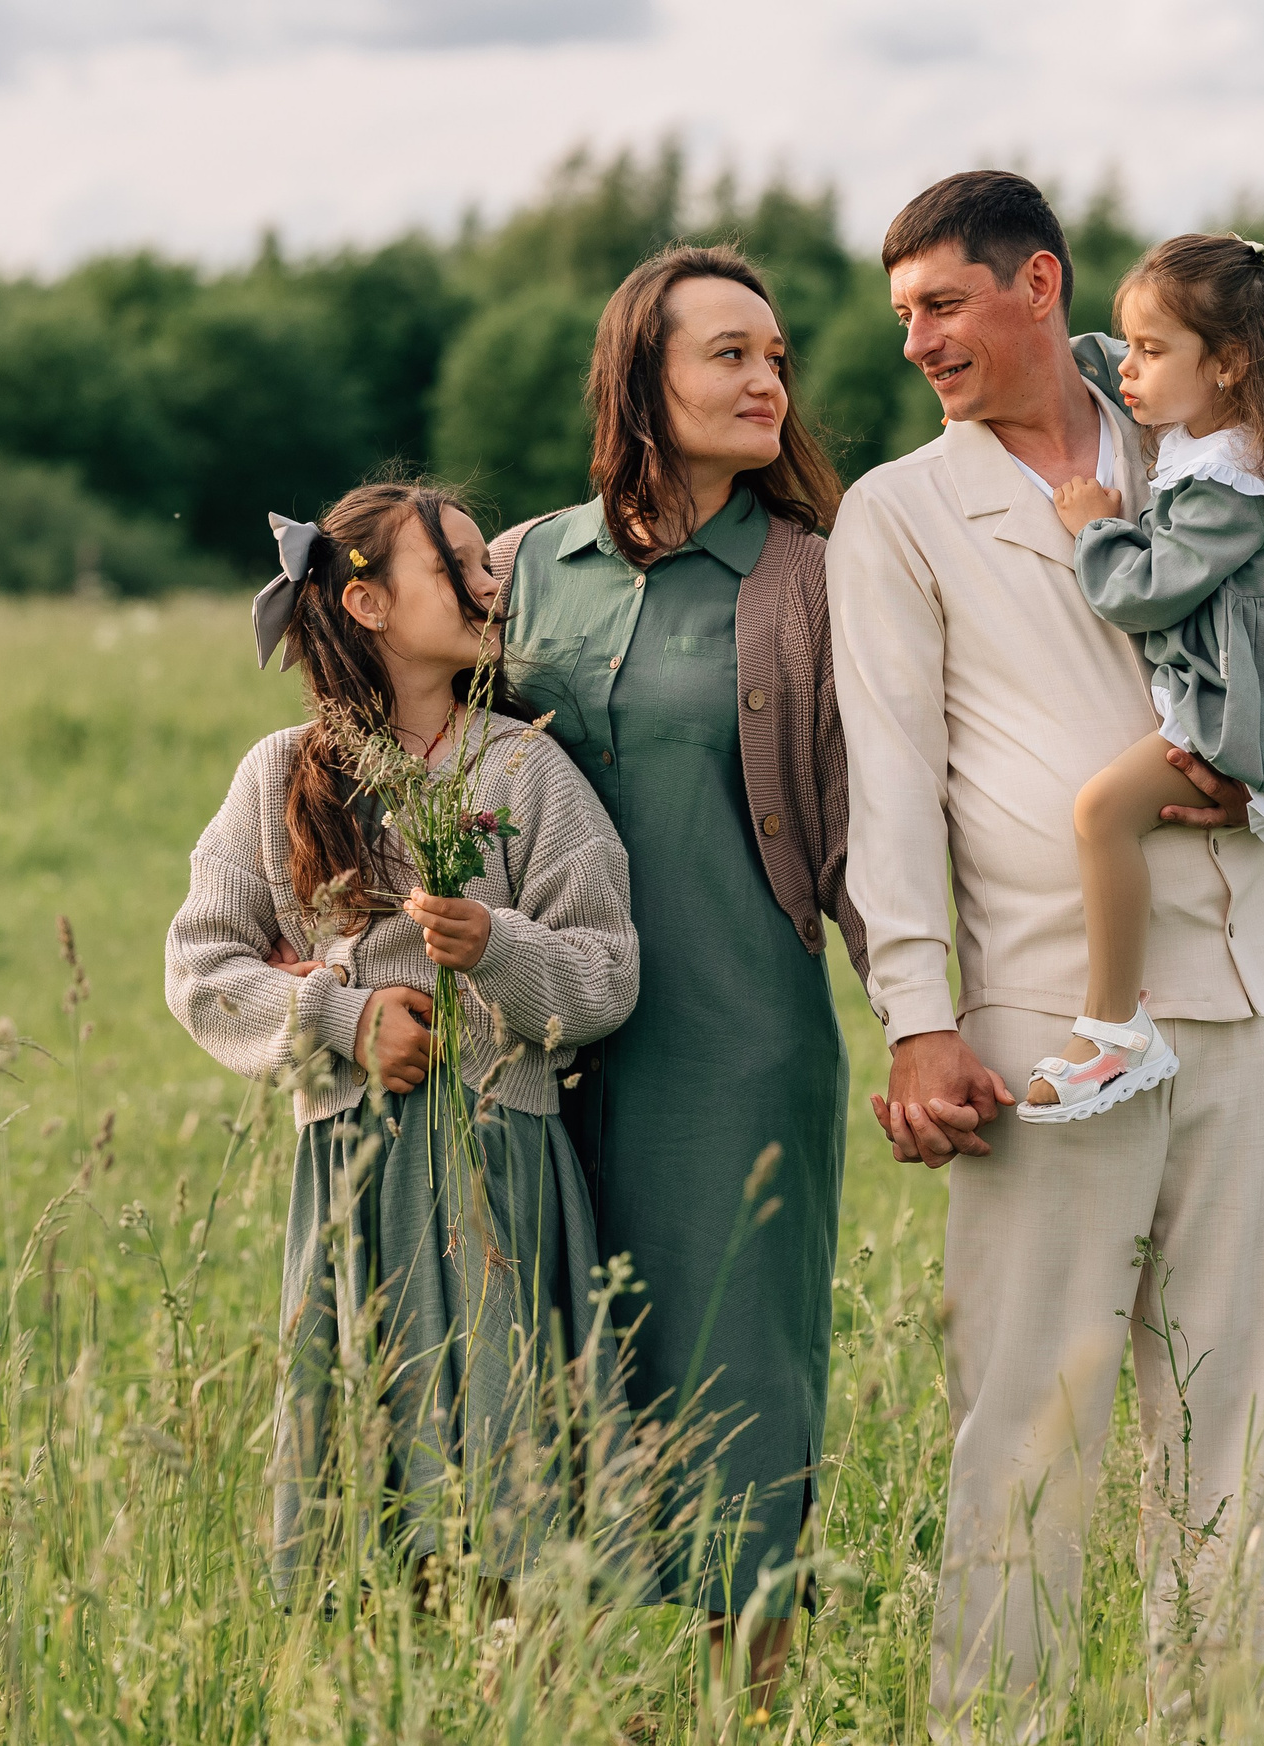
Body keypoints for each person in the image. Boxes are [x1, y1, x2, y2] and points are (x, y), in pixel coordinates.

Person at [829, 171, 1264, 1733]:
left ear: (1038, 285)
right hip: (1045, 1030)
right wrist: (915, 1017)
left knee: (1230, 1424)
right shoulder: (896, 513)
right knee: (1025, 1426)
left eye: (943, 304)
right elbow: (888, 785)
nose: (920, 344)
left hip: (1259, 990)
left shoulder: (1207, 428)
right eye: (904, 317)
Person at [486, 243, 864, 1704]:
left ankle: (745, 1702)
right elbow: (406, 756)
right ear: (642, 375)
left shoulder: (816, 581)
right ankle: (549, 1700)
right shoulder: (517, 568)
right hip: (537, 1041)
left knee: (740, 1375)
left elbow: (888, 818)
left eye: (777, 357)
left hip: (737, 1043)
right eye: (730, 354)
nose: (768, 379)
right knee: (527, 1361)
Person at [164, 478, 640, 1608]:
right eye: (458, 567)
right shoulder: (283, 773)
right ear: (367, 604)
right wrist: (343, 1015)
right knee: (369, 1495)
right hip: (356, 1181)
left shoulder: (528, 770)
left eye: (490, 567)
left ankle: (519, 1690)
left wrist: (498, 950)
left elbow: (608, 976)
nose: (489, 587)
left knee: (509, 1479)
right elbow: (202, 968)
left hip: (505, 1181)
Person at [1026, 231, 1264, 1122]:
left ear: (1230, 362)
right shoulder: (1237, 436)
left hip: (1251, 704)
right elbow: (1121, 354)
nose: (1128, 370)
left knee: (1101, 814)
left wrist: (1093, 526)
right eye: (1129, 345)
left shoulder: (1222, 490)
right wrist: (1068, 356)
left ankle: (1114, 1033)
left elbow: (1147, 593)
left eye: (1151, 352)